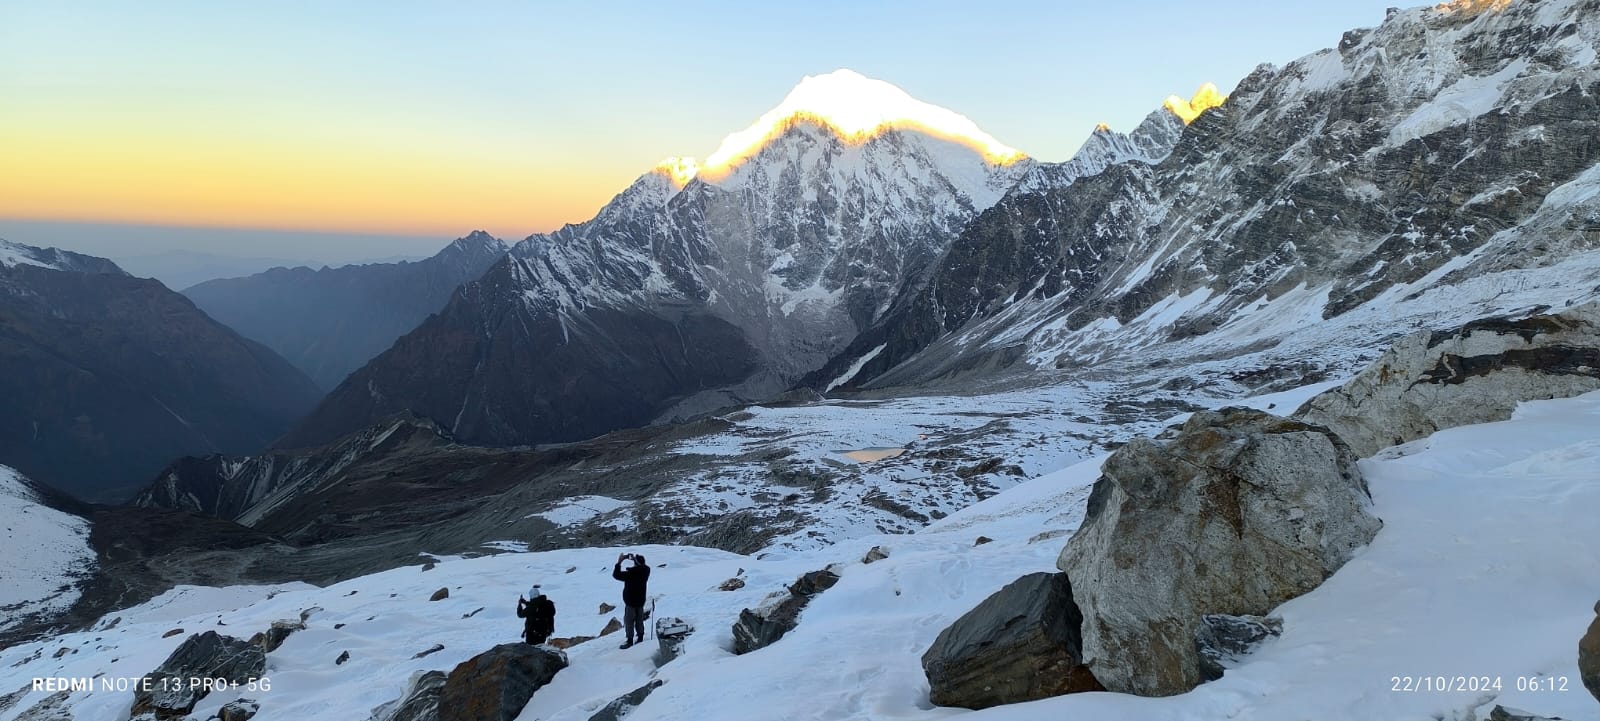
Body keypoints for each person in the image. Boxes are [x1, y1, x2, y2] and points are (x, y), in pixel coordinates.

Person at [612, 552, 651, 649]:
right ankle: (640, 637)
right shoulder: (646, 571)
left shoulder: (631, 574)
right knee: (639, 619)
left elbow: (616, 575)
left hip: (630, 601)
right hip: (641, 600)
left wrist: (619, 561)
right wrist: (635, 560)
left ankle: (630, 640)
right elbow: (642, 567)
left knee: (629, 621)